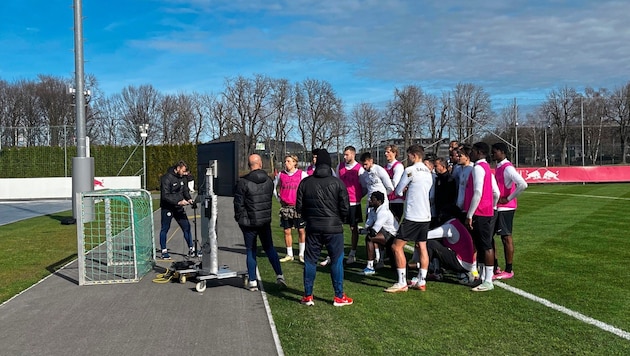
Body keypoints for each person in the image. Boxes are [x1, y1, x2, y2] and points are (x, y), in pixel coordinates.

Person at [296, 149, 353, 307]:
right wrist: (340, 220)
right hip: (333, 228)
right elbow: (345, 207)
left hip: (313, 227)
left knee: (310, 261)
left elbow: (299, 207)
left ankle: (308, 295)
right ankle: (339, 296)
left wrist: (308, 219)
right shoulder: (337, 183)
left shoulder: (306, 182)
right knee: (336, 261)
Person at [234, 154, 286, 292]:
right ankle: (279, 275)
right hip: (264, 221)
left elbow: (238, 204)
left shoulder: (243, 182)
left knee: (251, 251)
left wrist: (239, 218)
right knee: (269, 248)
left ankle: (252, 281)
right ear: (260, 164)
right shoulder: (268, 181)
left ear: (249, 165)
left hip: (249, 222)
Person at [385, 144, 433, 293]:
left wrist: (405, 190)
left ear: (413, 155)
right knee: (422, 246)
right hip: (426, 215)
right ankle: (421, 280)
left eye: (409, 155)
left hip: (413, 215)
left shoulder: (410, 170)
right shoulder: (428, 171)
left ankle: (401, 282)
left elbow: (398, 190)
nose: (408, 158)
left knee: (396, 246)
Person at [463, 142, 499, 292]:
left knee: (485, 246)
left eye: (472, 151)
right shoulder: (487, 169)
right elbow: (495, 193)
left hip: (479, 213)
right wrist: (492, 206)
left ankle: (488, 280)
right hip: (485, 211)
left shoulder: (478, 168)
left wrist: (470, 214)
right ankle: (483, 277)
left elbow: (477, 192)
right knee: (481, 245)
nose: (470, 153)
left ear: (478, 152)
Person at [491, 142, 528, 280]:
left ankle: (509, 269)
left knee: (506, 237)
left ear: (501, 152)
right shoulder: (499, 166)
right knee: (491, 236)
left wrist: (508, 198)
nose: (492, 154)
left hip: (505, 208)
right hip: (498, 207)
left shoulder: (507, 168)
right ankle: (495, 266)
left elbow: (523, 184)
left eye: (494, 152)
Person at [274, 154, 309, 263]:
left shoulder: (302, 174)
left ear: (295, 162)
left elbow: (308, 188)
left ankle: (302, 254)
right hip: (286, 207)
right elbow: (274, 188)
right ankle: (289, 254)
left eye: (289, 161)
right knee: (286, 231)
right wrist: (279, 199)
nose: (286, 163)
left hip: (298, 207)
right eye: (285, 161)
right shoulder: (281, 175)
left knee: (301, 230)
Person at [159, 160, 195, 259]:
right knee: (165, 228)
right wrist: (178, 201)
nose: (184, 173)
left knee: (186, 227)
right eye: (183, 171)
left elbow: (185, 191)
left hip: (179, 208)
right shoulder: (166, 178)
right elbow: (165, 195)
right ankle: (164, 251)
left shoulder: (183, 178)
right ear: (178, 168)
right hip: (168, 207)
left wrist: (189, 199)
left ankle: (191, 248)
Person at [337, 145, 365, 264]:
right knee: (338, 227)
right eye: (344, 154)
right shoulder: (340, 166)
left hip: (354, 203)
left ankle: (352, 253)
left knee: (353, 228)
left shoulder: (360, 169)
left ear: (353, 154)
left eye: (347, 154)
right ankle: (337, 251)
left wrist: (358, 197)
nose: (345, 156)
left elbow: (365, 186)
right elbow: (336, 182)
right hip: (341, 203)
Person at [360, 191, 399, 275]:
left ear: (379, 201)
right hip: (384, 233)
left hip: (392, 236)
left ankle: (370, 267)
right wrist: (363, 230)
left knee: (370, 238)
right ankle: (376, 262)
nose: (369, 201)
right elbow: (368, 225)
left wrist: (365, 231)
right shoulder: (372, 211)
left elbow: (374, 231)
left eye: (372, 199)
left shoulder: (383, 212)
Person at [384, 144, 405, 221]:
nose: (385, 154)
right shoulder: (385, 167)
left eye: (388, 152)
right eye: (385, 152)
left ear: (394, 153)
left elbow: (394, 183)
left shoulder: (398, 166)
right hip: (387, 200)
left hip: (396, 201)